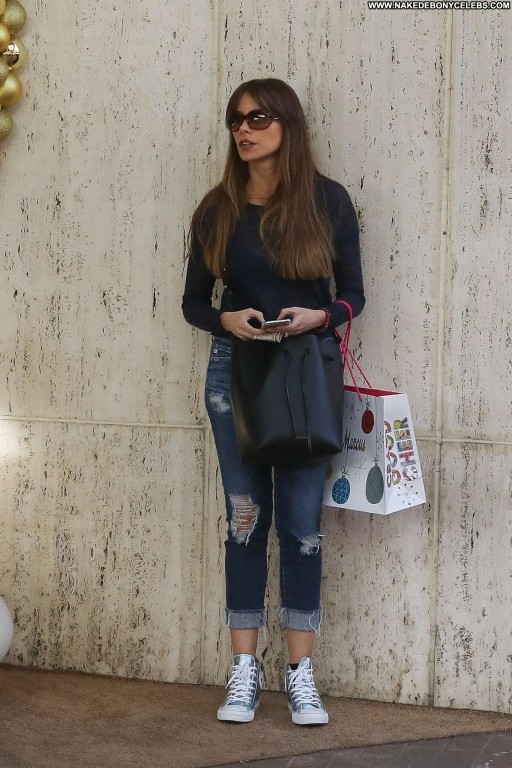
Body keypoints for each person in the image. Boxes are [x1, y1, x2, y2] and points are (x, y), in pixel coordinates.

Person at [182, 78, 364, 725]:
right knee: (244, 520)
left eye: (258, 117)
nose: (244, 128)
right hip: (235, 375)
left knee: (302, 526)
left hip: (306, 375)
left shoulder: (327, 201)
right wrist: (224, 320)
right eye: (236, 118)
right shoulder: (217, 209)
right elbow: (193, 302)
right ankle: (244, 672)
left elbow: (354, 295)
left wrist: (321, 316)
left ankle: (300, 675)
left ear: (288, 124)